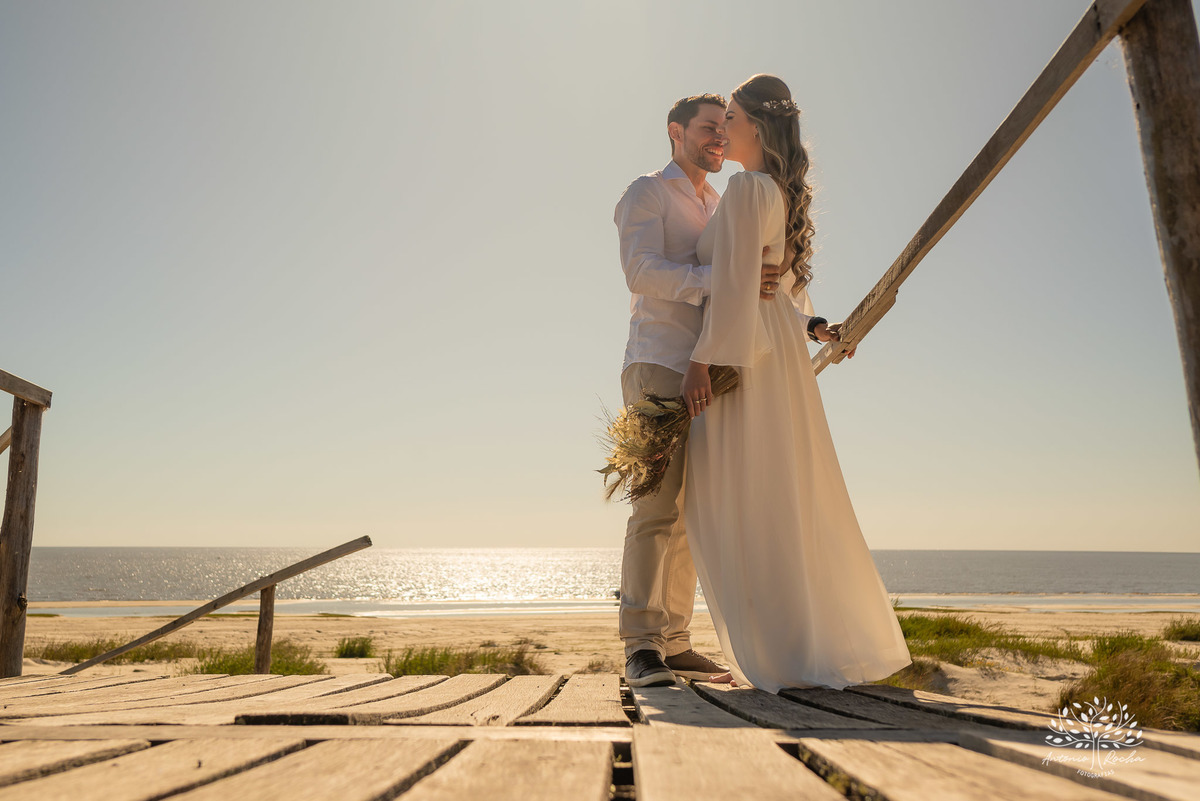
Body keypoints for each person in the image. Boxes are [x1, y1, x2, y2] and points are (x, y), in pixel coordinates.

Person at [680, 74, 912, 692]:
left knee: (745, 492)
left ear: (755, 125)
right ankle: (788, 645)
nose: (723, 127)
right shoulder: (772, 188)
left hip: (748, 352)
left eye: (729, 116)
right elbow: (771, 282)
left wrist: (703, 360)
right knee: (776, 487)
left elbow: (736, 284)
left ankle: (777, 654)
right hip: (772, 343)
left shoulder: (747, 187)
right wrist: (812, 324)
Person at [614, 94, 782, 687]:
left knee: (689, 515)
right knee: (655, 506)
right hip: (659, 361)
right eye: (708, 128)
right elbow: (641, 272)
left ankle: (677, 641)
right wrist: (725, 279)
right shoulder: (648, 193)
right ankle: (639, 645)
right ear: (674, 131)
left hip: (708, 369)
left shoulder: (717, 202)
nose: (718, 137)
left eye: (724, 127)